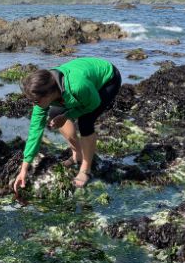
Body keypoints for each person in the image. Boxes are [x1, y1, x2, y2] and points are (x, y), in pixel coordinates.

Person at [11, 57, 122, 190]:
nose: (34, 105)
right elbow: (35, 131)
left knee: (85, 121)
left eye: (36, 101)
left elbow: (93, 104)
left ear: (49, 94)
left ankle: (85, 170)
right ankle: (77, 154)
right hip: (84, 77)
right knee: (54, 114)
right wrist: (24, 169)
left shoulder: (77, 87)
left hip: (108, 79)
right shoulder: (44, 92)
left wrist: (67, 115)